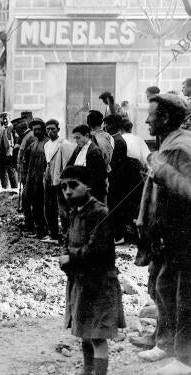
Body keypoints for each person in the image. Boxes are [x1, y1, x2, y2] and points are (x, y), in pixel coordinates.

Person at [135, 94, 191, 374]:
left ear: (166, 118)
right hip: (167, 234)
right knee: (163, 287)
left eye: (151, 115)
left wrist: (164, 172)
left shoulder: (182, 145)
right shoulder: (168, 141)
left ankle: (184, 359)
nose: (146, 119)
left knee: (184, 296)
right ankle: (167, 343)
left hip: (184, 235)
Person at [58, 166, 125, 375]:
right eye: (64, 187)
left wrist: (71, 256)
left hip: (99, 283)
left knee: (97, 336)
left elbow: (96, 250)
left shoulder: (99, 212)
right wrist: (64, 255)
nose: (67, 191)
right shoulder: (73, 211)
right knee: (84, 333)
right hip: (80, 281)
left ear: (87, 186)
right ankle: (87, 371)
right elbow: (66, 240)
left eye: (73, 185)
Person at [43, 119, 75, 244]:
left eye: (53, 129)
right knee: (49, 206)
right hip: (48, 177)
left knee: (63, 208)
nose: (50, 132)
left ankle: (67, 235)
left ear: (58, 130)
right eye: (48, 129)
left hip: (60, 179)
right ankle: (53, 233)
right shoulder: (47, 145)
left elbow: (67, 164)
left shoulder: (64, 144)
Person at [103, 114, 130, 244]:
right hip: (117, 178)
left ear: (113, 125)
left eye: (106, 124)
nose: (104, 127)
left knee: (115, 207)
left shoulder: (117, 141)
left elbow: (115, 164)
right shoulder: (117, 139)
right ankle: (117, 234)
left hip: (116, 179)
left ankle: (119, 236)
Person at [67, 125, 108, 204]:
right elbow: (70, 165)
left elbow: (99, 177)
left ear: (86, 136)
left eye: (78, 138)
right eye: (74, 138)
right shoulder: (78, 148)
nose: (76, 140)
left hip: (91, 192)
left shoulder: (94, 151)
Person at [24, 118, 49, 238]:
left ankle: (43, 230)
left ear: (43, 130)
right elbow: (26, 160)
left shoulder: (48, 144)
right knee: (31, 203)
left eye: (39, 129)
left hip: (42, 180)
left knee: (41, 205)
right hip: (32, 179)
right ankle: (35, 229)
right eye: (34, 130)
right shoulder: (33, 144)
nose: (36, 132)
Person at [16, 117, 36, 218]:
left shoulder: (30, 137)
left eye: (17, 130)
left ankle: (30, 221)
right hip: (24, 173)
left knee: (28, 198)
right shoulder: (25, 136)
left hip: (28, 173)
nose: (16, 133)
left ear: (21, 129)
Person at [0, 112, 18, 189]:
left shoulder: (12, 127)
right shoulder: (1, 129)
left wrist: (13, 151)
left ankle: (14, 188)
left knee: (11, 170)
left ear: (9, 118)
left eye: (5, 118)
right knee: (1, 171)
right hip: (1, 153)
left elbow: (16, 140)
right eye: (2, 118)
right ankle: (5, 187)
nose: (4, 120)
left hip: (10, 152)